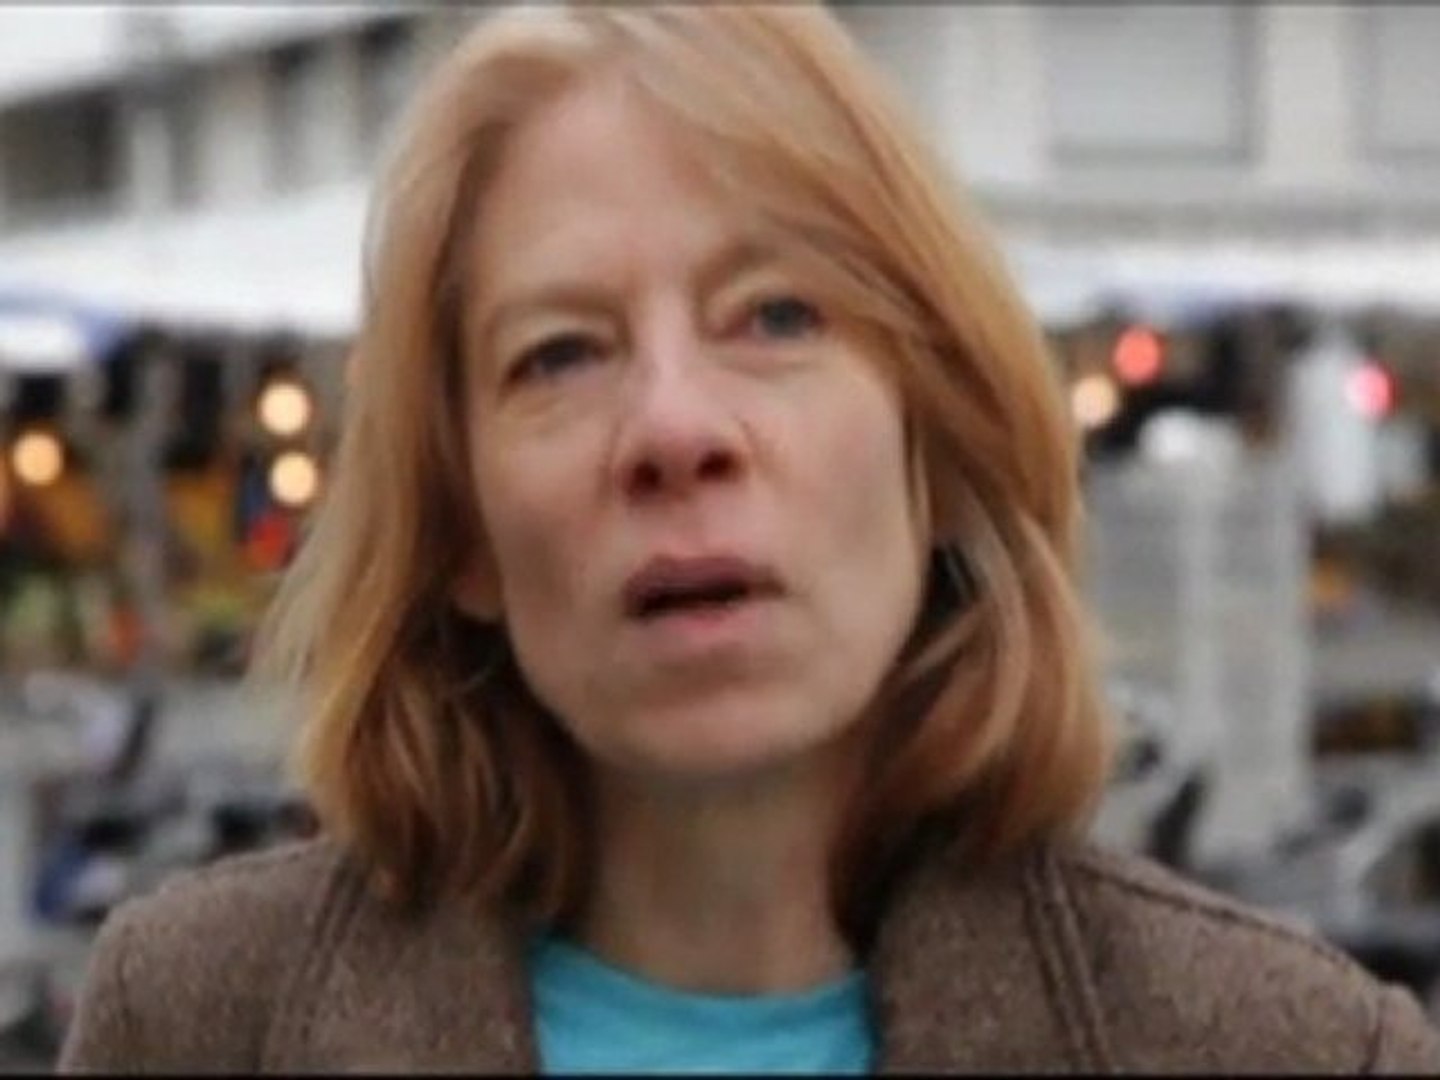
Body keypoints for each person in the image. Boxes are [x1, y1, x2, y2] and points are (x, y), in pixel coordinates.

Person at [59, 4, 1440, 1073]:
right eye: (561, 353)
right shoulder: (195, 1023)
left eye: (777, 318)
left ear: (940, 452)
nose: (673, 427)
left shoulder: (1297, 1050)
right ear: (461, 528)